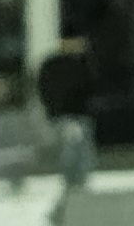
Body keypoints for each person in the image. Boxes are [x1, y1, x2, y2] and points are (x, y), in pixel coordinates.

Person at [34, 36, 96, 204]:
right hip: (71, 115)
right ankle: (74, 183)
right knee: (74, 151)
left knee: (75, 150)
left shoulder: (54, 65)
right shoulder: (71, 66)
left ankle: (75, 183)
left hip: (68, 116)